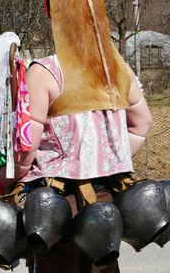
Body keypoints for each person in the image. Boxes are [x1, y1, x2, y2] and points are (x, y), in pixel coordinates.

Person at [11, 54, 153, 273]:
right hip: (107, 196)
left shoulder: (44, 70)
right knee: (103, 263)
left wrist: (9, 179)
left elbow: (27, 144)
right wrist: (107, 162)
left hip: (57, 201)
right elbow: (142, 122)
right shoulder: (116, 66)